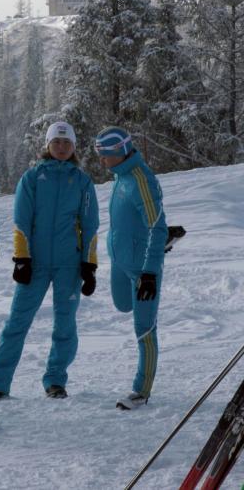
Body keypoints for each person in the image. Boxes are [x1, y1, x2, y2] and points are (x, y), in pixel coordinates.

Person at [0, 122, 99, 401]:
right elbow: (21, 221)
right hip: (34, 265)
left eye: (67, 143)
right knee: (17, 322)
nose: (61, 147)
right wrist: (22, 258)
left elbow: (90, 224)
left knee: (65, 324)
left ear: (73, 148)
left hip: (68, 265)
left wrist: (89, 265)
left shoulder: (82, 181)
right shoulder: (33, 178)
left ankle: (56, 380)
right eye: (56, 142)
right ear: (47, 145)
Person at [94, 126, 167, 410]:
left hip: (143, 271)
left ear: (121, 152)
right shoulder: (121, 176)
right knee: (122, 305)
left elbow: (157, 227)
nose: (101, 161)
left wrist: (150, 271)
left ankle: (141, 391)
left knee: (144, 328)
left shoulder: (140, 180)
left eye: (105, 155)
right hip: (121, 262)